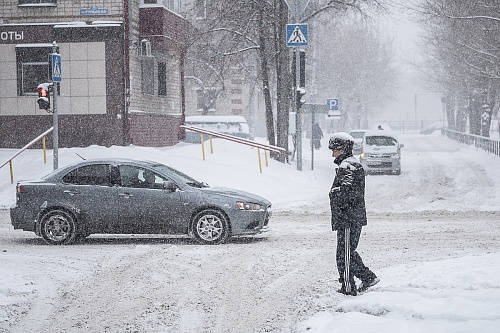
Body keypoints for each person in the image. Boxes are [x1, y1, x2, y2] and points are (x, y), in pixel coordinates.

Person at [328, 132, 379, 296]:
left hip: (348, 218)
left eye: (334, 150)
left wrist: (334, 193)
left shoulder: (347, 167)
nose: (332, 153)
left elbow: (346, 194)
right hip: (350, 217)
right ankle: (367, 277)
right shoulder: (350, 165)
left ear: (342, 149)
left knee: (344, 255)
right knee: (347, 252)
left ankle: (349, 287)